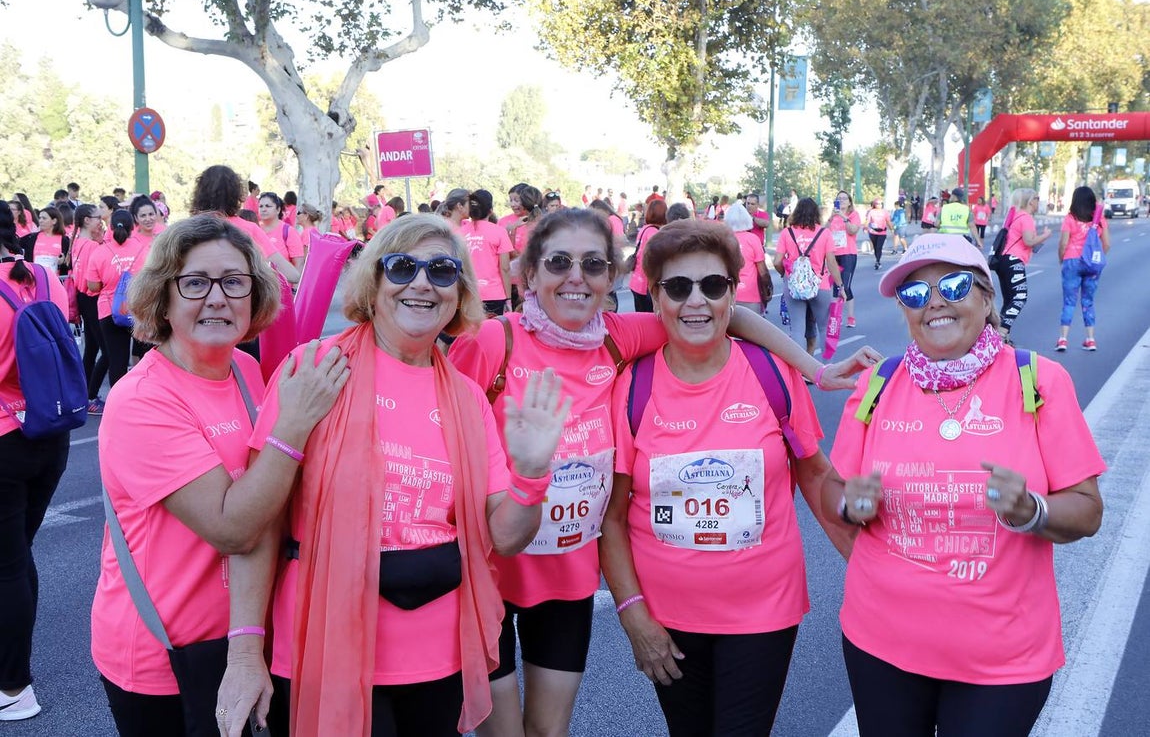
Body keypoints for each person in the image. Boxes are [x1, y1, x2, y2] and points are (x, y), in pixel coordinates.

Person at [447, 208, 877, 737]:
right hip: (490, 570)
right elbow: (438, 421)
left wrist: (815, 370)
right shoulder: (495, 341)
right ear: (528, 274)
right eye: (559, 262)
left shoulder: (616, 339)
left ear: (611, 278)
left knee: (547, 732)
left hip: (564, 579)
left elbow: (722, 315)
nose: (576, 276)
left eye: (593, 264)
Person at [216, 213, 573, 737]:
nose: (422, 283)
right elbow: (261, 523)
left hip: (438, 656)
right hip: (324, 643)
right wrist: (245, 652)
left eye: (442, 271)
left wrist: (531, 476)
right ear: (374, 281)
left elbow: (504, 537)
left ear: (459, 292)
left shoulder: (467, 398)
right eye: (403, 267)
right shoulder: (315, 367)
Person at [824, 233, 1104, 737]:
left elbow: (1087, 510)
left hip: (1002, 660)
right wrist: (850, 504)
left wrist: (1031, 510)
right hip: (881, 644)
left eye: (952, 285)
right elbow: (832, 487)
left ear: (986, 296)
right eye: (914, 293)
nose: (934, 302)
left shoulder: (1039, 380)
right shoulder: (878, 384)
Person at [91, 215, 349, 736]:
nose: (217, 298)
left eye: (234, 282)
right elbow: (234, 527)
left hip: (242, 636)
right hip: (163, 655)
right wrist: (294, 423)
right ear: (163, 298)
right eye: (194, 283)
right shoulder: (142, 399)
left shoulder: (246, 371)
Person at [600, 218, 855, 736]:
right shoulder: (631, 386)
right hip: (667, 617)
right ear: (655, 297)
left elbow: (816, 477)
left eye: (713, 285)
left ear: (732, 294)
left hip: (763, 611)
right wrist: (632, 614)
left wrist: (875, 568)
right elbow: (613, 517)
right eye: (678, 287)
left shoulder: (771, 373)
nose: (696, 301)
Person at [0, 205, 72, 722]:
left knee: (8, 564)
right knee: (16, 555)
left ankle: (14, 685)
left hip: (5, 438)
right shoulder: (45, 277)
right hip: (50, 430)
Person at [189, 165, 300, 284]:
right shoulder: (249, 229)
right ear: (236, 194)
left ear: (199, 193)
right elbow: (293, 275)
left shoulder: (186, 230)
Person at [773, 198, 845, 356]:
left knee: (797, 330)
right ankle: (827, 367)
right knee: (824, 328)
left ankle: (800, 368)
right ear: (816, 214)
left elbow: (777, 261)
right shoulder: (824, 233)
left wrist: (785, 275)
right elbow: (831, 262)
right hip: (820, 285)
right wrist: (840, 286)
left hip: (794, 286)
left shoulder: (787, 233)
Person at [86, 209, 148, 387]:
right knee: (145, 357)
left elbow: (93, 286)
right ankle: (145, 395)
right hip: (139, 309)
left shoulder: (99, 252)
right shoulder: (143, 249)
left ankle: (118, 401)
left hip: (109, 311)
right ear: (133, 227)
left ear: (111, 227)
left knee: (117, 361)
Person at [994, 189, 1052, 343]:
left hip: (1003, 260)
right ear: (1030, 201)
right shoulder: (1026, 217)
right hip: (1014, 260)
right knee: (1020, 296)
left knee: (1009, 300)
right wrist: (1045, 235)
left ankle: (1002, 337)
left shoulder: (1015, 216)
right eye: (1037, 198)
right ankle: (1001, 333)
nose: (1038, 201)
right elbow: (1028, 241)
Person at [1056, 186, 1110, 352]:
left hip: (1072, 261)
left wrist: (1061, 259)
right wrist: (1095, 258)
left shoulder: (1070, 218)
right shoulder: (1099, 220)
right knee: (1088, 302)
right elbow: (1106, 244)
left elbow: (1063, 243)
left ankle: (1063, 339)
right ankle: (1090, 339)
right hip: (1092, 265)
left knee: (1069, 302)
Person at [71, 205, 109, 413]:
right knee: (108, 351)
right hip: (92, 298)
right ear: (86, 220)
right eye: (97, 218)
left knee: (92, 348)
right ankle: (91, 396)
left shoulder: (78, 242)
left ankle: (84, 394)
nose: (100, 221)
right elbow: (94, 280)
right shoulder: (92, 246)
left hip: (82, 298)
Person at [461, 189, 514, 317]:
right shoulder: (500, 232)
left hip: (467, 293)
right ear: (491, 210)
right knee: (493, 328)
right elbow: (505, 268)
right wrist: (508, 299)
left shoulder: (459, 233)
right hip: (494, 294)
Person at [723, 202, 771, 314]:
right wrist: (767, 289)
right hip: (750, 294)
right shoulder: (753, 239)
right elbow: (762, 271)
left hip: (727, 294)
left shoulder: (723, 240)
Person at [628, 199, 668, 313]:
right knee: (649, 319)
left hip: (636, 282)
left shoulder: (644, 229)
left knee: (640, 317)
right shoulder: (654, 232)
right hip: (645, 285)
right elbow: (656, 259)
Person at [829, 191, 861, 328]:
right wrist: (831, 217)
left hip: (848, 254)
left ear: (849, 202)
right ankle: (836, 317)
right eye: (839, 199)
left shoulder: (854, 215)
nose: (841, 201)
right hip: (834, 254)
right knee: (836, 286)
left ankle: (851, 317)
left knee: (845, 286)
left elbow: (852, 230)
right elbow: (824, 232)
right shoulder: (833, 216)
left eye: (844, 198)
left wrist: (843, 216)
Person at [257, 192, 306, 269]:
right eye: (260, 206)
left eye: (268, 206)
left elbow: (299, 264)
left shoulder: (289, 232)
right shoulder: (254, 229)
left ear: (278, 210)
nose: (263, 209)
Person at [32, 206, 70, 275]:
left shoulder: (65, 240)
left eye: (44, 218)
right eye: (40, 218)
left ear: (54, 221)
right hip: (35, 277)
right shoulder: (31, 238)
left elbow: (70, 264)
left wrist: (63, 262)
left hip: (56, 278)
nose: (40, 221)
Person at [863, 199, 893, 270]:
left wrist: (891, 229)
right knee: (875, 247)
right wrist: (865, 228)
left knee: (879, 247)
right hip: (873, 232)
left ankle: (877, 261)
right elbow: (867, 220)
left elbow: (888, 221)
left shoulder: (885, 212)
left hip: (882, 232)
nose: (879, 205)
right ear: (874, 204)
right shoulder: (871, 212)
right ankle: (877, 258)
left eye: (880, 203)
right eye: (877, 203)